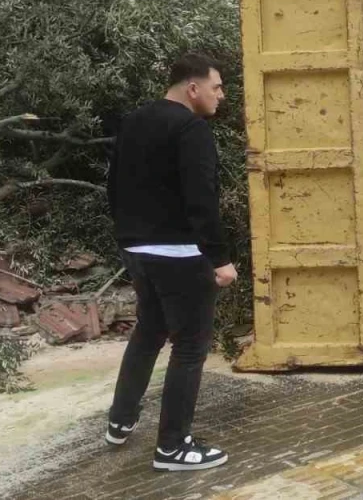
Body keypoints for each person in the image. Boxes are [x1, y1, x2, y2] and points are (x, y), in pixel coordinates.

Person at [106, 53, 235, 472]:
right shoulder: (191, 128)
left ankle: (120, 420)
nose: (221, 95)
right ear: (192, 88)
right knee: (190, 347)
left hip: (137, 250)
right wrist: (219, 259)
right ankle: (173, 447)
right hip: (179, 254)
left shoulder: (134, 121)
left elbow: (113, 185)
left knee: (149, 332)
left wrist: (128, 237)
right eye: (216, 87)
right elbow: (202, 198)